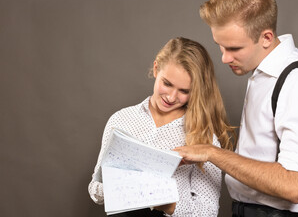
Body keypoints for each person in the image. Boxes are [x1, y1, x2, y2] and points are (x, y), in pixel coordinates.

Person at [174, 0, 298, 216]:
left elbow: (294, 185)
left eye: (234, 49)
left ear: (266, 38)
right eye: (221, 46)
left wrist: (212, 153)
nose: (224, 58)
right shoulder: (263, 74)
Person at [88, 37, 235, 216]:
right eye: (167, 84)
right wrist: (123, 187)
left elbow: (208, 212)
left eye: (184, 91)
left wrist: (168, 205)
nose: (172, 97)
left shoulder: (203, 137)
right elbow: (95, 190)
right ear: (156, 68)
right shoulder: (121, 120)